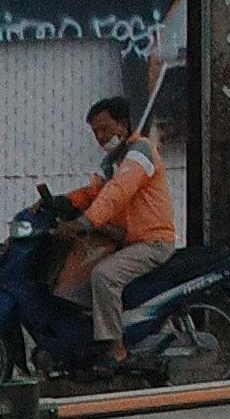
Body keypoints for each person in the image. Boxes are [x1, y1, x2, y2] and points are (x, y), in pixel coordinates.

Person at [54, 85, 178, 364]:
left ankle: (116, 349)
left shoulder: (140, 153)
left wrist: (86, 222)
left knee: (103, 276)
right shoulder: (112, 160)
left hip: (152, 243)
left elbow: (117, 192)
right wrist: (61, 202)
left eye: (104, 129)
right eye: (96, 132)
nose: (100, 137)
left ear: (123, 124)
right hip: (126, 240)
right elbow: (93, 191)